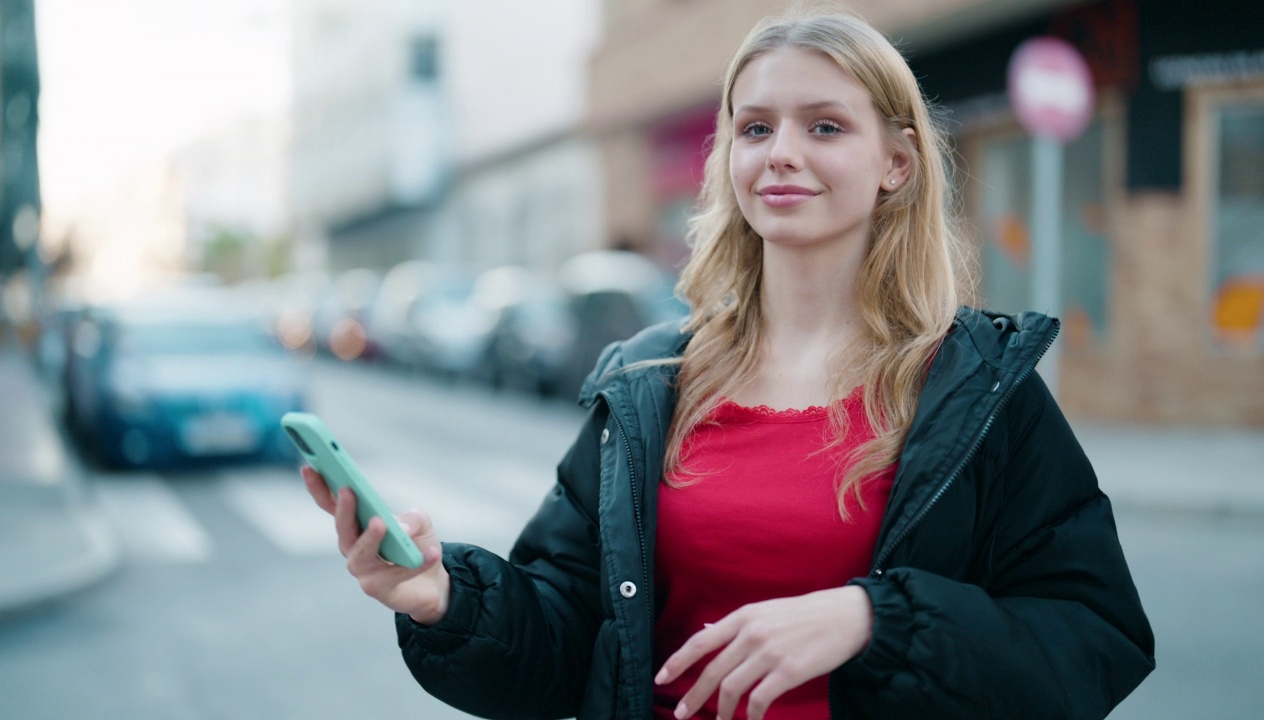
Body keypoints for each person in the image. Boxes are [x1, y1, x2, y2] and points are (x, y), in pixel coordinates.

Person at [301, 7, 1155, 719]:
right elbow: (569, 636)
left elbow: (1092, 639)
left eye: (824, 125)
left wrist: (874, 618)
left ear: (897, 161)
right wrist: (445, 599)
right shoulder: (649, 384)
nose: (781, 151)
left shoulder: (975, 387)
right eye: (755, 127)